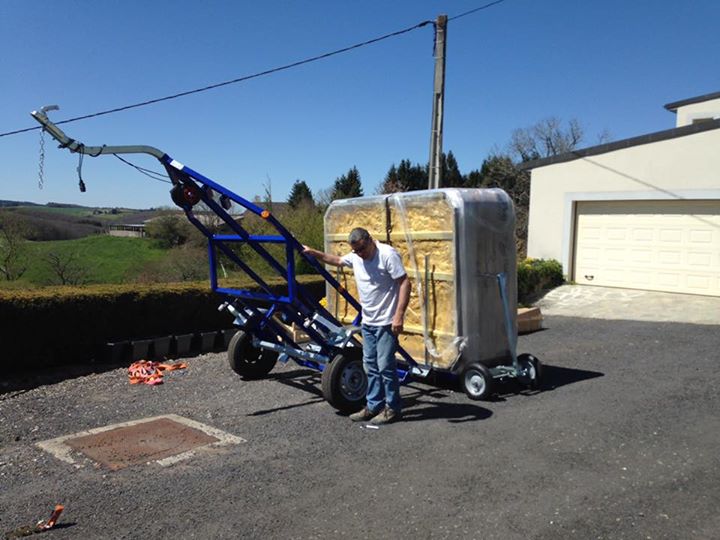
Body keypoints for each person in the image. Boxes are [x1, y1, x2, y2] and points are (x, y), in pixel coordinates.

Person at [303, 227, 410, 425]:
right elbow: (336, 260)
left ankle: (393, 408)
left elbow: (404, 283)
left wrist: (399, 315)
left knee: (385, 365)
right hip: (368, 322)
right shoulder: (356, 257)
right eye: (356, 251)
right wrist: (314, 253)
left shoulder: (387, 255)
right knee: (370, 365)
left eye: (362, 249)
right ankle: (373, 406)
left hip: (386, 321)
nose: (360, 254)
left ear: (370, 240)